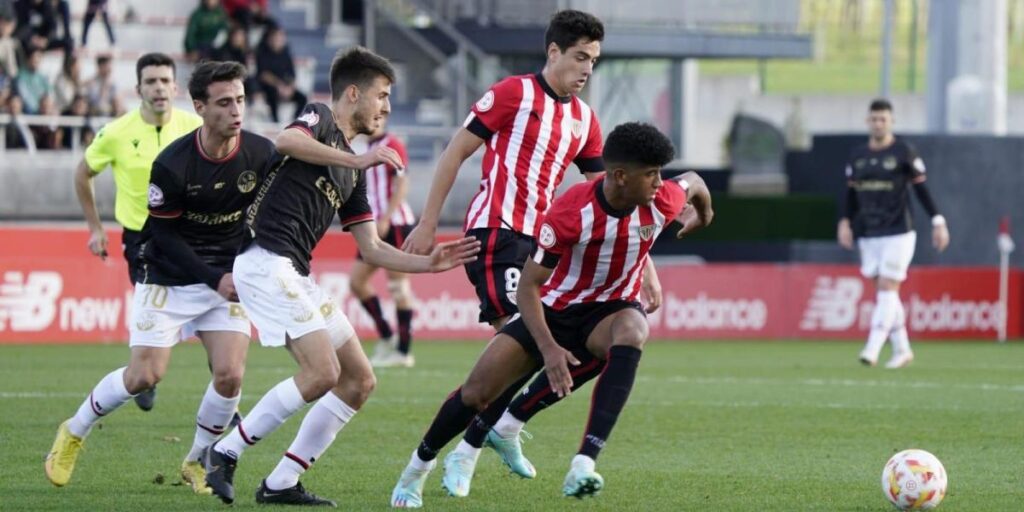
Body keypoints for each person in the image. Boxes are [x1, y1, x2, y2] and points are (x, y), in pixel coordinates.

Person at [201, 46, 480, 506]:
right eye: (383, 96)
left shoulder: (353, 173)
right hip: (264, 260)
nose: (387, 107)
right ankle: (224, 453)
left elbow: (371, 247)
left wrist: (430, 263)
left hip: (293, 271)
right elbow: (285, 142)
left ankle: (282, 482)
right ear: (353, 93)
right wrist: (358, 161)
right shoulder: (321, 120)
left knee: (358, 380)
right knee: (322, 372)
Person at [401, 9, 664, 498]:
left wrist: (642, 265)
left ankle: (491, 435)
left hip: (544, 246)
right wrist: (428, 222)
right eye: (580, 57)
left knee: (582, 345)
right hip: (496, 235)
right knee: (522, 348)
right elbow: (456, 151)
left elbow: (610, 200)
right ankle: (466, 450)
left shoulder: (585, 119)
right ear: (553, 52)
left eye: (595, 60)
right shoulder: (511, 93)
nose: (587, 68)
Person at [391, 122, 713, 507]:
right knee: (476, 395)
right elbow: (528, 288)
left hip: (610, 311)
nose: (660, 183)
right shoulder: (571, 212)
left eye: (660, 172)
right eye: (651, 174)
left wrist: (704, 215)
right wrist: (548, 349)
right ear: (620, 176)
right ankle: (416, 469)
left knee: (633, 330)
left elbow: (693, 181)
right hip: (553, 308)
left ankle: (583, 463)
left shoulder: (662, 200)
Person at [44, 61, 275, 495]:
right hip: (169, 273)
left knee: (229, 375)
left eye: (240, 100)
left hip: (224, 276)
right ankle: (73, 431)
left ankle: (196, 460)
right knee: (144, 377)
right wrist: (213, 277)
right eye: (225, 103)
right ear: (201, 107)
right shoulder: (172, 164)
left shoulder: (262, 153)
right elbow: (164, 238)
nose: (236, 111)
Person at [73, 53, 203, 411]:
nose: (158, 88)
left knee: (214, 318)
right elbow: (82, 173)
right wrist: (95, 229)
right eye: (151, 81)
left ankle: (226, 394)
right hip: (141, 240)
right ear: (138, 88)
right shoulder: (116, 132)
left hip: (191, 233)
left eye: (165, 80)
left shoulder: (196, 127)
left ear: (175, 87)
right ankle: (144, 371)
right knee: (156, 309)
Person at [837, 98, 950, 369]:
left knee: (888, 287)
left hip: (899, 230)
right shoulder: (857, 156)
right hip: (869, 231)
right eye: (874, 119)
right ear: (868, 121)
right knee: (885, 292)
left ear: (891, 121)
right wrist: (845, 221)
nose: (878, 123)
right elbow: (851, 194)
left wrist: (938, 220)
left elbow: (922, 189)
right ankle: (902, 349)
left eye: (883, 119)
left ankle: (872, 348)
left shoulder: (904, 152)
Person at [350, 125, 417, 368]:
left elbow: (402, 183)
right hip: (374, 227)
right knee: (356, 282)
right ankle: (387, 335)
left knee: (397, 286)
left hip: (395, 223)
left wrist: (387, 217)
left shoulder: (393, 143)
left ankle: (403, 350)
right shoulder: (367, 147)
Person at [255, 25, 307, 123]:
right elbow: (263, 74)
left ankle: (294, 121)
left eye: (280, 37)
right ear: (270, 39)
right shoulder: (262, 53)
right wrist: (279, 85)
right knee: (272, 94)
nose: (278, 40)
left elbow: (292, 74)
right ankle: (275, 122)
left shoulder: (286, 54)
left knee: (302, 98)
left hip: (285, 87)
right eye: (276, 37)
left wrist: (290, 88)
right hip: (268, 87)